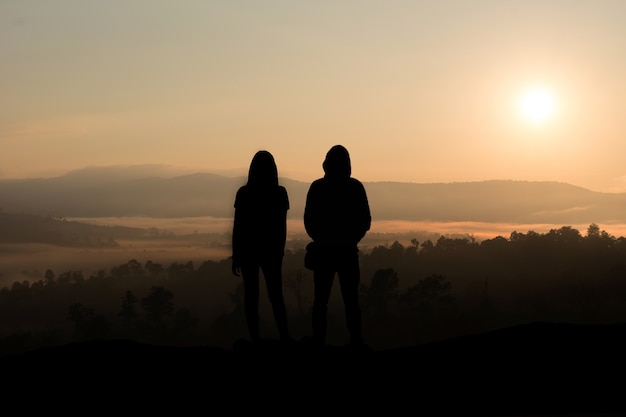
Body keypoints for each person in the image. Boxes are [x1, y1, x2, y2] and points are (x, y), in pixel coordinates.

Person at [304, 144, 371, 348]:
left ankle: (319, 341)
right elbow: (364, 221)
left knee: (321, 300)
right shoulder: (354, 187)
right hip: (347, 252)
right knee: (350, 300)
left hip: (327, 252)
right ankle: (355, 341)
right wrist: (349, 241)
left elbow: (310, 221)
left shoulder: (318, 187)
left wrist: (323, 241)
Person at [231, 150, 291, 343]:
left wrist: (236, 254)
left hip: (250, 251)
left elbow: (238, 227)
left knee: (252, 297)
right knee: (275, 296)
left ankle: (256, 339)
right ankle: (284, 338)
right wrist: (279, 252)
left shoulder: (244, 193)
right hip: (271, 251)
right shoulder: (279, 193)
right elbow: (281, 227)